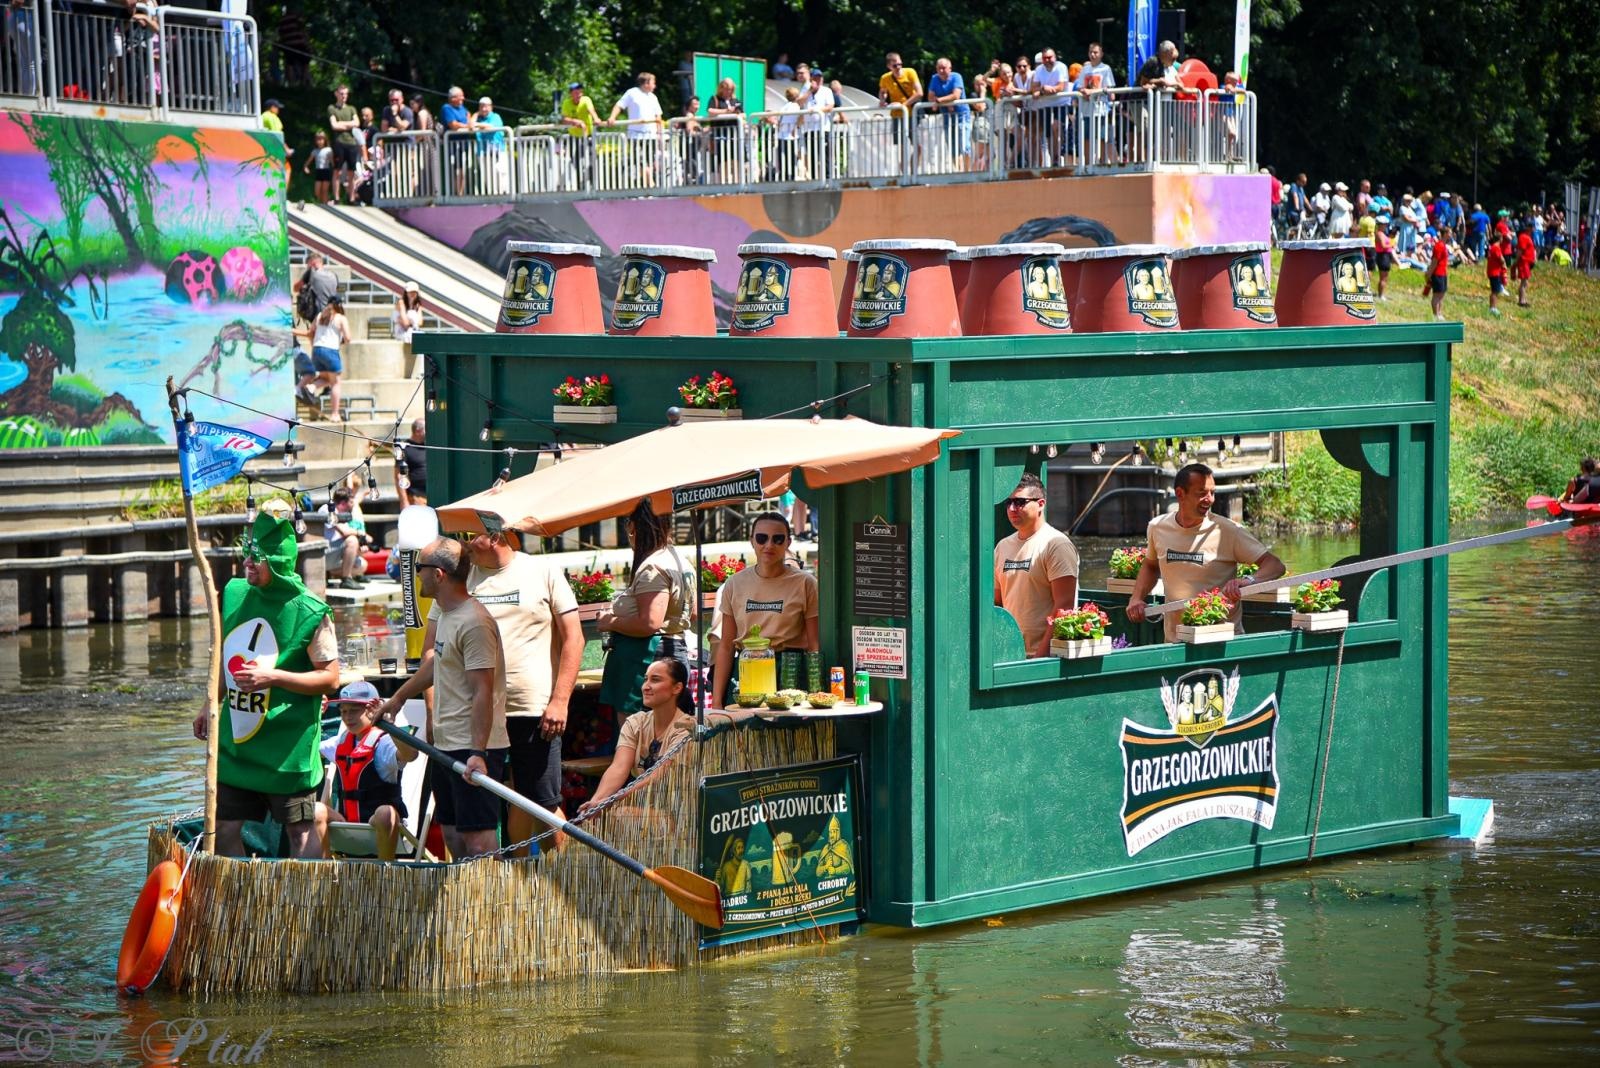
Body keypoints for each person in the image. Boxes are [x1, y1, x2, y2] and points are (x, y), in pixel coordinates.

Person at [416, 529, 582, 855]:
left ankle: (567, 877)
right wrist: (433, 713)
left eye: (469, 534)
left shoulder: (541, 571)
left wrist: (560, 700)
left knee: (541, 802)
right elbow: (431, 653)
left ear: (494, 536)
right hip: (470, 719)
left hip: (530, 708)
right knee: (493, 805)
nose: (462, 542)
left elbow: (574, 639)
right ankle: (511, 884)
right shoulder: (457, 581)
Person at [193, 501, 339, 858]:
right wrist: (208, 705)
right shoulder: (235, 594)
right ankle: (245, 897)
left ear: (277, 562)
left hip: (287, 747)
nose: (247, 564)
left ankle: (307, 902)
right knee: (224, 827)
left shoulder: (310, 611)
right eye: (247, 555)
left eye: (256, 558)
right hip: (238, 742)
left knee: (299, 830)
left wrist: (273, 677)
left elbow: (331, 679)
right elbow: (226, 661)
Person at [379, 537, 508, 860]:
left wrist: (478, 752)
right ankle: (462, 907)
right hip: (446, 743)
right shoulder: (449, 614)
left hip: (474, 746)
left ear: (438, 574)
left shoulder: (474, 622)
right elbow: (437, 662)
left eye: (418, 568)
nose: (415, 575)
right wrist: (397, 698)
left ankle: (491, 907)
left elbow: (483, 690)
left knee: (477, 840)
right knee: (452, 834)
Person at [1126, 464, 1286, 643]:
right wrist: (1136, 598)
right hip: (1175, 642)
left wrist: (1247, 581)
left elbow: (1275, 565)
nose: (1209, 499)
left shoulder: (1228, 531)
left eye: (1212, 492)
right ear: (1180, 494)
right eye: (1201, 493)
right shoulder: (1157, 527)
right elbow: (1151, 565)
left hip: (1223, 643)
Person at [598, 499, 697, 715]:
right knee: (668, 736)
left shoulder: (653, 566)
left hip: (649, 657)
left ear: (633, 527)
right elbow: (694, 613)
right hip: (675, 649)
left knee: (639, 737)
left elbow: (650, 623)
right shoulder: (681, 560)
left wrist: (609, 621)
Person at [710, 512, 819, 707]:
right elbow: (726, 646)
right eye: (762, 538)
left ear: (788, 542)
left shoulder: (806, 583)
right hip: (746, 666)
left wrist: (816, 694)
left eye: (778, 539)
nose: (769, 545)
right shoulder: (734, 583)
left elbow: (814, 646)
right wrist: (717, 701)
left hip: (789, 670)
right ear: (752, 541)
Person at [578, 658, 695, 815]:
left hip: (678, 810)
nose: (646, 686)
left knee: (619, 814)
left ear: (677, 688)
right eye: (645, 679)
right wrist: (596, 802)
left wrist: (614, 799)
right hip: (640, 805)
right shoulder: (636, 722)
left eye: (655, 680)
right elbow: (619, 767)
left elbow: (658, 775)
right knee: (600, 815)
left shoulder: (685, 727)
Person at [318, 680, 418, 860]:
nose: (348, 717)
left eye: (354, 711)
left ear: (372, 710)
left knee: (385, 813)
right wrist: (315, 715)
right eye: (343, 711)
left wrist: (388, 724)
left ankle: (385, 874)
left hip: (378, 825)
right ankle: (325, 872)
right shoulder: (341, 741)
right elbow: (311, 749)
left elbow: (411, 755)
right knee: (316, 810)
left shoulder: (385, 742)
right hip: (347, 824)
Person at [992, 472, 1079, 658]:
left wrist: (1040, 657)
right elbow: (997, 601)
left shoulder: (1056, 544)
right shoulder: (1002, 546)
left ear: (1041, 504)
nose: (1012, 508)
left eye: (1020, 502)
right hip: (1008, 653)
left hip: (1045, 657)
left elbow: (1064, 605)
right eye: (1009, 503)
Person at [609, 72, 663, 185]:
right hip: (635, 135)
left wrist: (659, 133)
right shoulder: (632, 93)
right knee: (639, 161)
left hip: (650, 135)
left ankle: (648, 186)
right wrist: (612, 117)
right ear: (646, 83)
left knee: (648, 162)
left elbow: (658, 115)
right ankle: (651, 185)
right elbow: (619, 105)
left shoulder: (653, 97)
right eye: (653, 83)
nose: (655, 86)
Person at [305, 296, 349, 419]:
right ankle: (335, 414)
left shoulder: (319, 316)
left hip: (317, 350)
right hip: (331, 351)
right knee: (335, 383)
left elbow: (310, 332)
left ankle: (311, 387)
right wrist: (342, 340)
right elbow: (348, 337)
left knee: (327, 379)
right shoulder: (340, 318)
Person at [926, 57, 971, 171]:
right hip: (948, 118)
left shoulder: (957, 77)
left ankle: (968, 171)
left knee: (964, 145)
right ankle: (959, 171)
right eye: (939, 68)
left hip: (962, 116)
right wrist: (947, 103)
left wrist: (940, 101)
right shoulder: (934, 78)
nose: (941, 71)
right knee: (952, 147)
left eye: (944, 68)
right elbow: (930, 96)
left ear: (950, 68)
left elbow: (956, 95)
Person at [323, 485, 372, 589]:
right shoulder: (329, 510)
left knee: (362, 565)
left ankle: (330, 573)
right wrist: (360, 533)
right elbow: (345, 532)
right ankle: (346, 579)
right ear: (342, 503)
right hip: (322, 553)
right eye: (351, 502)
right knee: (352, 541)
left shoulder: (342, 513)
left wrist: (362, 542)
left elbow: (350, 532)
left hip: (333, 554)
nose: (353, 505)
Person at [559, 82, 599, 189]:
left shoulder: (586, 100)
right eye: (576, 91)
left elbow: (591, 111)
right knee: (575, 161)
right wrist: (574, 121)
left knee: (591, 159)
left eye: (580, 91)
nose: (579, 93)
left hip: (588, 135)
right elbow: (564, 119)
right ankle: (579, 184)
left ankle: (591, 183)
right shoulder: (567, 103)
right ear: (571, 93)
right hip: (574, 137)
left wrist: (596, 119)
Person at [326, 84, 360, 204]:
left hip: (351, 142)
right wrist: (349, 124)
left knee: (351, 172)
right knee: (337, 170)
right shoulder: (332, 108)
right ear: (336, 94)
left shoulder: (351, 108)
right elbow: (334, 125)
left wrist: (342, 124)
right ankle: (336, 198)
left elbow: (357, 122)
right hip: (339, 142)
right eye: (341, 93)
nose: (344, 96)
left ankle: (351, 198)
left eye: (346, 94)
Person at [706, 78, 745, 182]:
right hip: (720, 134)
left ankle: (737, 182)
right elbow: (710, 111)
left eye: (732, 89)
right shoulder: (715, 99)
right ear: (722, 88)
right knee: (723, 159)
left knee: (736, 158)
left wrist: (737, 113)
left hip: (734, 134)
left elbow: (743, 113)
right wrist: (727, 111)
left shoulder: (736, 100)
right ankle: (724, 182)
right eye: (728, 89)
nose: (730, 91)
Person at [394, 418, 428, 507]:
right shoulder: (404, 449)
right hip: (416, 498)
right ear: (418, 431)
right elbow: (399, 476)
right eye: (426, 429)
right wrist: (404, 501)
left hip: (431, 496)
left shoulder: (428, 447)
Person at [392, 280, 424, 359]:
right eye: (410, 292)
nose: (412, 294)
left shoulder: (417, 304)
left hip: (413, 330)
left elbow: (420, 322)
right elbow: (406, 323)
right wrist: (411, 323)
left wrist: (409, 323)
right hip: (401, 331)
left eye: (414, 292)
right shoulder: (401, 302)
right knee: (413, 337)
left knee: (421, 337)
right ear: (406, 292)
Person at [1425, 224, 1451, 319]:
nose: (1451, 235)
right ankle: (1435, 314)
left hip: (1443, 273)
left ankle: (1439, 312)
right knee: (1437, 294)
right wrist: (1429, 273)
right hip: (1437, 273)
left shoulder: (1443, 245)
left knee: (1442, 294)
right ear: (1445, 234)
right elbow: (1435, 261)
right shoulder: (1439, 246)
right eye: (1450, 233)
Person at [304, 130, 333, 204]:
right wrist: (306, 167)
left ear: (325, 140)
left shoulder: (328, 150)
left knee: (324, 190)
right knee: (317, 191)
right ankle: (324, 202)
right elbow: (309, 161)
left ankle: (325, 204)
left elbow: (332, 161)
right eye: (318, 139)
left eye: (321, 139)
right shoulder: (315, 151)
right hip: (318, 171)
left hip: (326, 170)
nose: (320, 141)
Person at [1486, 231, 1510, 316]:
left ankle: (1493, 307)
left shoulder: (1493, 247)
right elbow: (1501, 258)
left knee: (1495, 290)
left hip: (1494, 271)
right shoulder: (1496, 247)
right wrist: (1504, 265)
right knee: (1495, 291)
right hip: (1494, 272)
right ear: (1500, 239)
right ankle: (1493, 308)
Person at [1515, 225, 1537, 307]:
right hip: (1524, 262)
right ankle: (1522, 301)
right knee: (1523, 282)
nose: (1534, 229)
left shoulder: (1528, 237)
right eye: (1532, 227)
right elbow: (1520, 250)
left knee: (1525, 282)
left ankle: (1524, 299)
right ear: (1528, 228)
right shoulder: (1523, 237)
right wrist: (1516, 261)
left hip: (1528, 263)